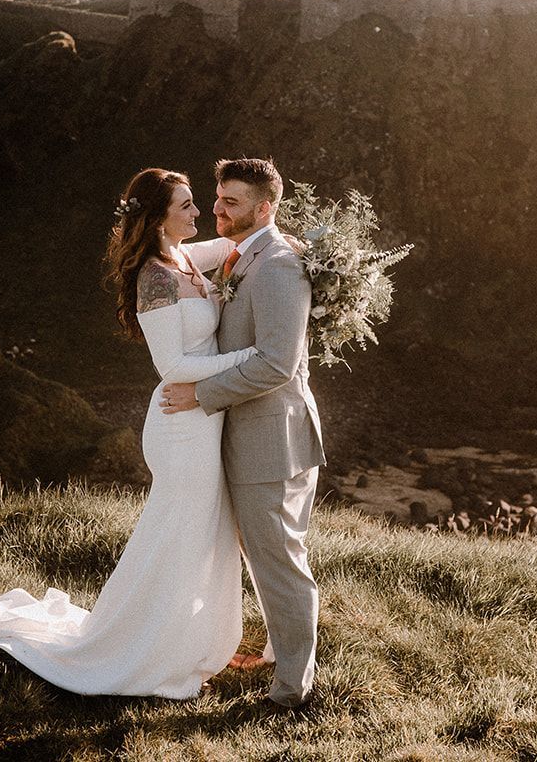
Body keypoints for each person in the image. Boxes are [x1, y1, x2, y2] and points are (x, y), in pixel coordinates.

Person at [0, 168, 253, 699]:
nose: (199, 214)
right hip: (181, 425)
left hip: (203, 421)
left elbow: (240, 244)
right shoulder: (155, 276)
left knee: (201, 535)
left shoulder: (186, 258)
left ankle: (194, 641)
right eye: (187, 205)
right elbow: (173, 365)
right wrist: (255, 359)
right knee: (180, 539)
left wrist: (303, 246)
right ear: (160, 215)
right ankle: (143, 649)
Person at [162, 156, 325, 709]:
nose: (216, 208)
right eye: (217, 197)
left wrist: (200, 394)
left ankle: (290, 691)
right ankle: (283, 656)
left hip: (270, 443)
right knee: (268, 556)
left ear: (264, 208)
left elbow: (278, 363)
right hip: (262, 434)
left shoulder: (277, 264)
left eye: (230, 201)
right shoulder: (245, 254)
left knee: (278, 561)